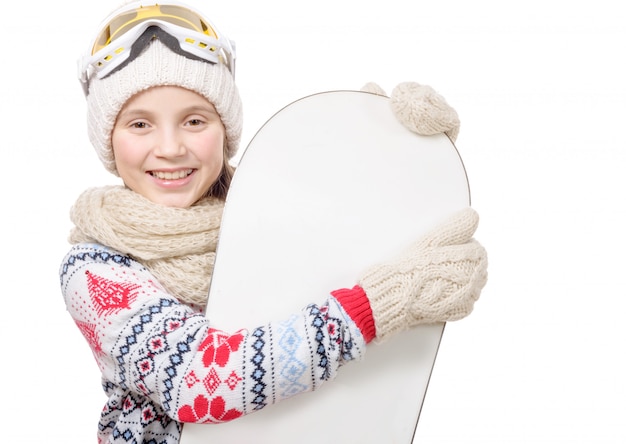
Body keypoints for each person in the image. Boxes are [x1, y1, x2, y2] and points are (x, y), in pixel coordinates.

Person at [59, 1, 488, 442]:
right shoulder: (95, 270)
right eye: (140, 124)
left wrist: (401, 154)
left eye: (193, 120)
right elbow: (201, 381)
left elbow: (341, 249)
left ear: (225, 130)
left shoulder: (274, 211)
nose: (169, 147)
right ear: (108, 140)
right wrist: (380, 304)